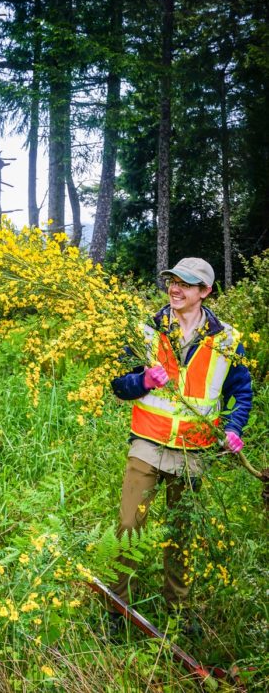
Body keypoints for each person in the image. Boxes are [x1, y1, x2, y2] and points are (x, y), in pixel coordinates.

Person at [109, 257, 252, 634]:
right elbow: (118, 384)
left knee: (181, 533)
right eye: (172, 281)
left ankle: (177, 611)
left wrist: (234, 428)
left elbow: (243, 393)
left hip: (193, 452)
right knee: (128, 525)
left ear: (204, 292)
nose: (175, 289)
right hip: (147, 443)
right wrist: (143, 383)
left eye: (185, 284)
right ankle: (116, 608)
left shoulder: (226, 340)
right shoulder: (147, 330)